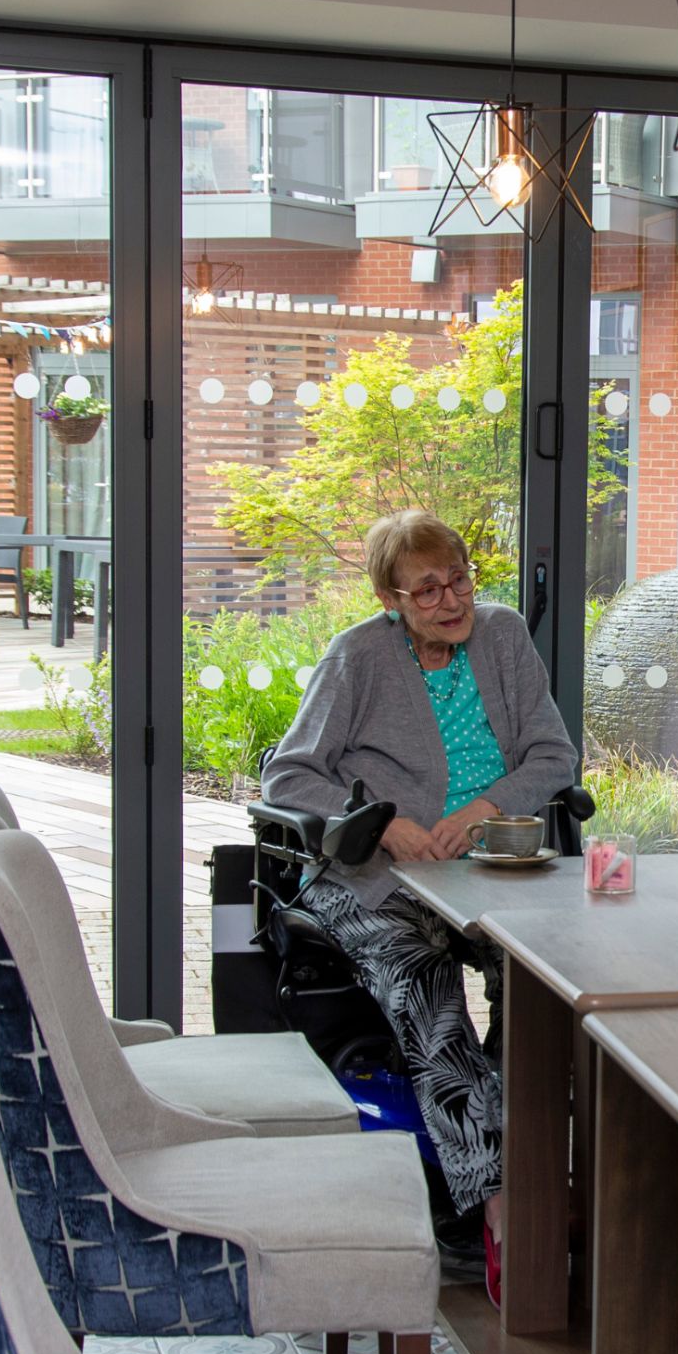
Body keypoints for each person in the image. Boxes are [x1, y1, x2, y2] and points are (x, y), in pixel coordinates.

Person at [261, 509, 578, 1236]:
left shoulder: (503, 636)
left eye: (459, 578)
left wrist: (486, 808)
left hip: (489, 872)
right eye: (427, 589)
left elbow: (553, 755)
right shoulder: (357, 656)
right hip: (377, 883)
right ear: (390, 600)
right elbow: (288, 774)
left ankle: (524, 1154)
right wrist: (380, 822)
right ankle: (502, 1212)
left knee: (542, 984)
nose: (452, 599)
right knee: (429, 993)